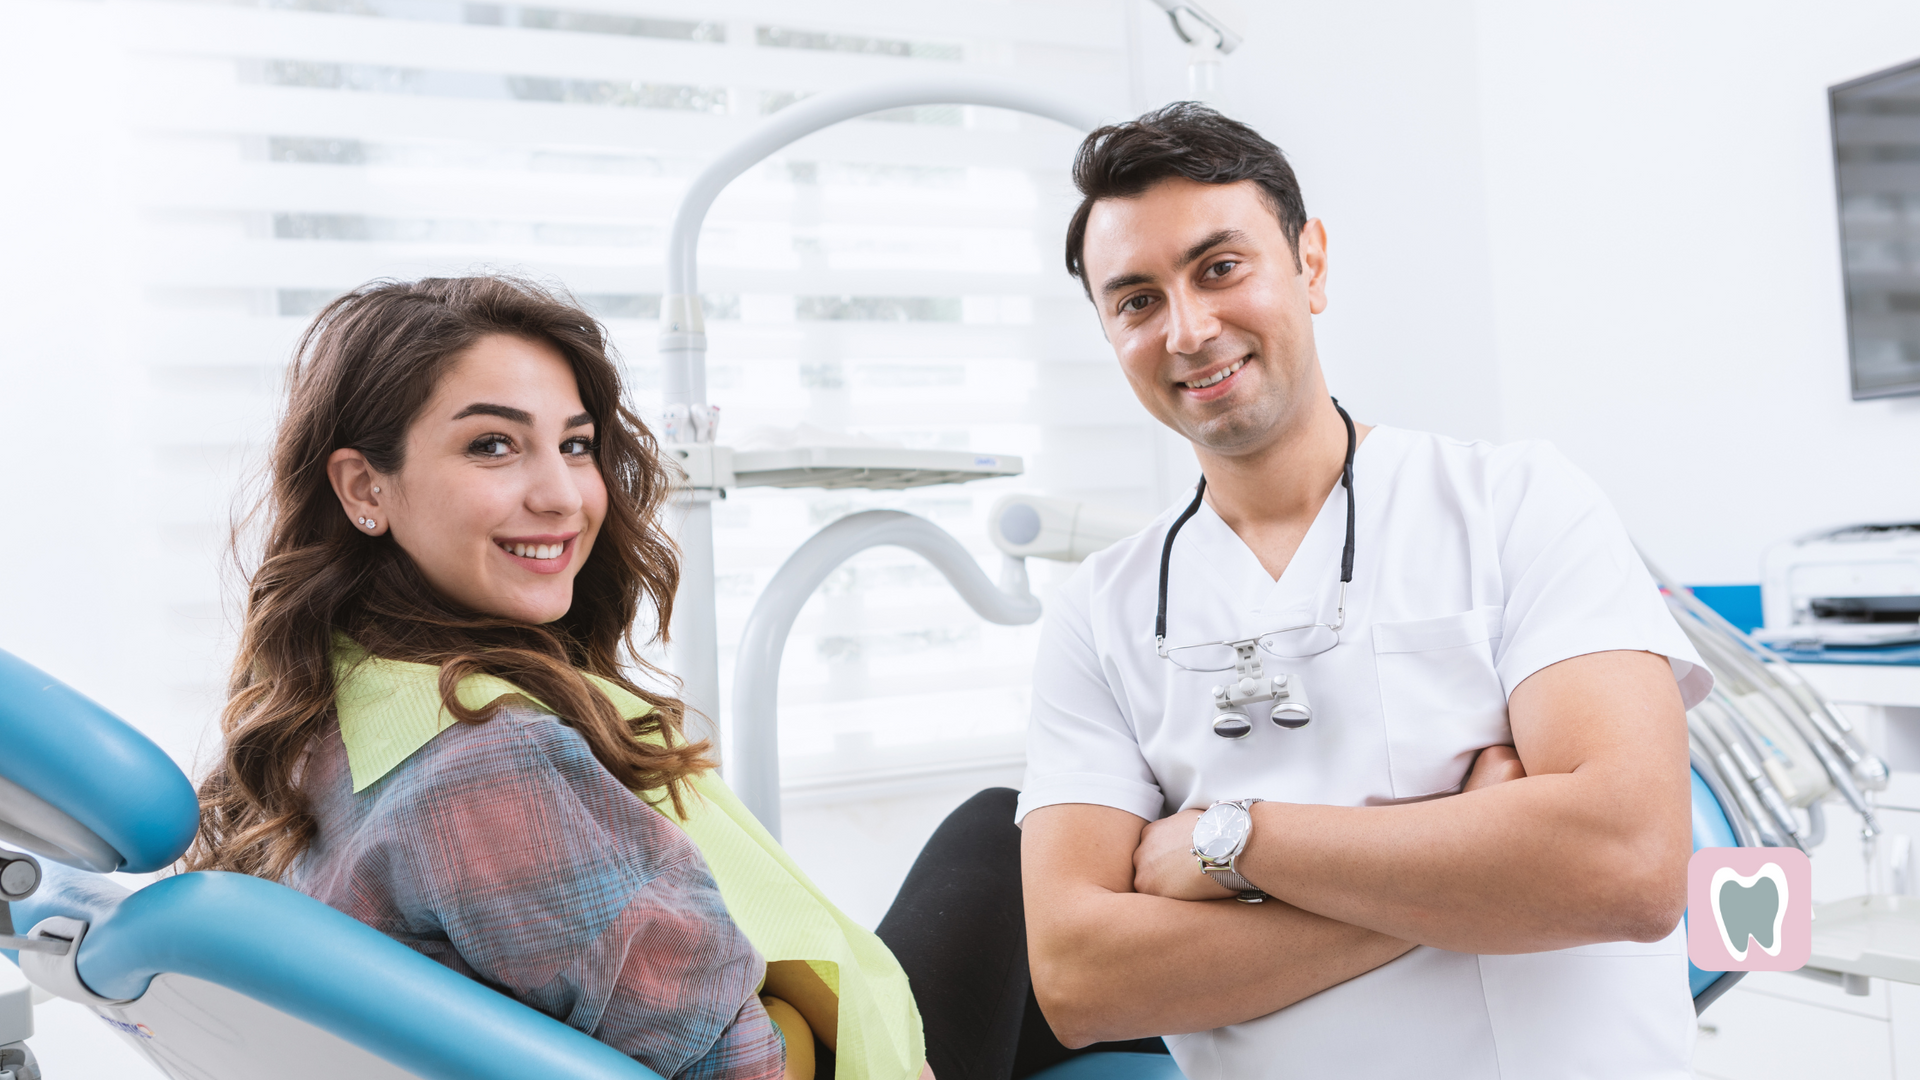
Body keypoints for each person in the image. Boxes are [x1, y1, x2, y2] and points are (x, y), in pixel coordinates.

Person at [1016, 104, 1712, 1078]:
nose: (1189, 328)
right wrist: (1473, 878)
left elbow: (1627, 866)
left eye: (1221, 268)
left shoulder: (1515, 502)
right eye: (1135, 300)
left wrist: (1234, 842)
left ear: (1312, 264)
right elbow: (1081, 981)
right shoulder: (1100, 613)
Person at [185, 276, 922, 1080]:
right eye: (492, 445)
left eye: (575, 445)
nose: (563, 495)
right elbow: (741, 1068)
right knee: (993, 844)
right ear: (367, 487)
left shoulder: (321, 715)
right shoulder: (488, 761)